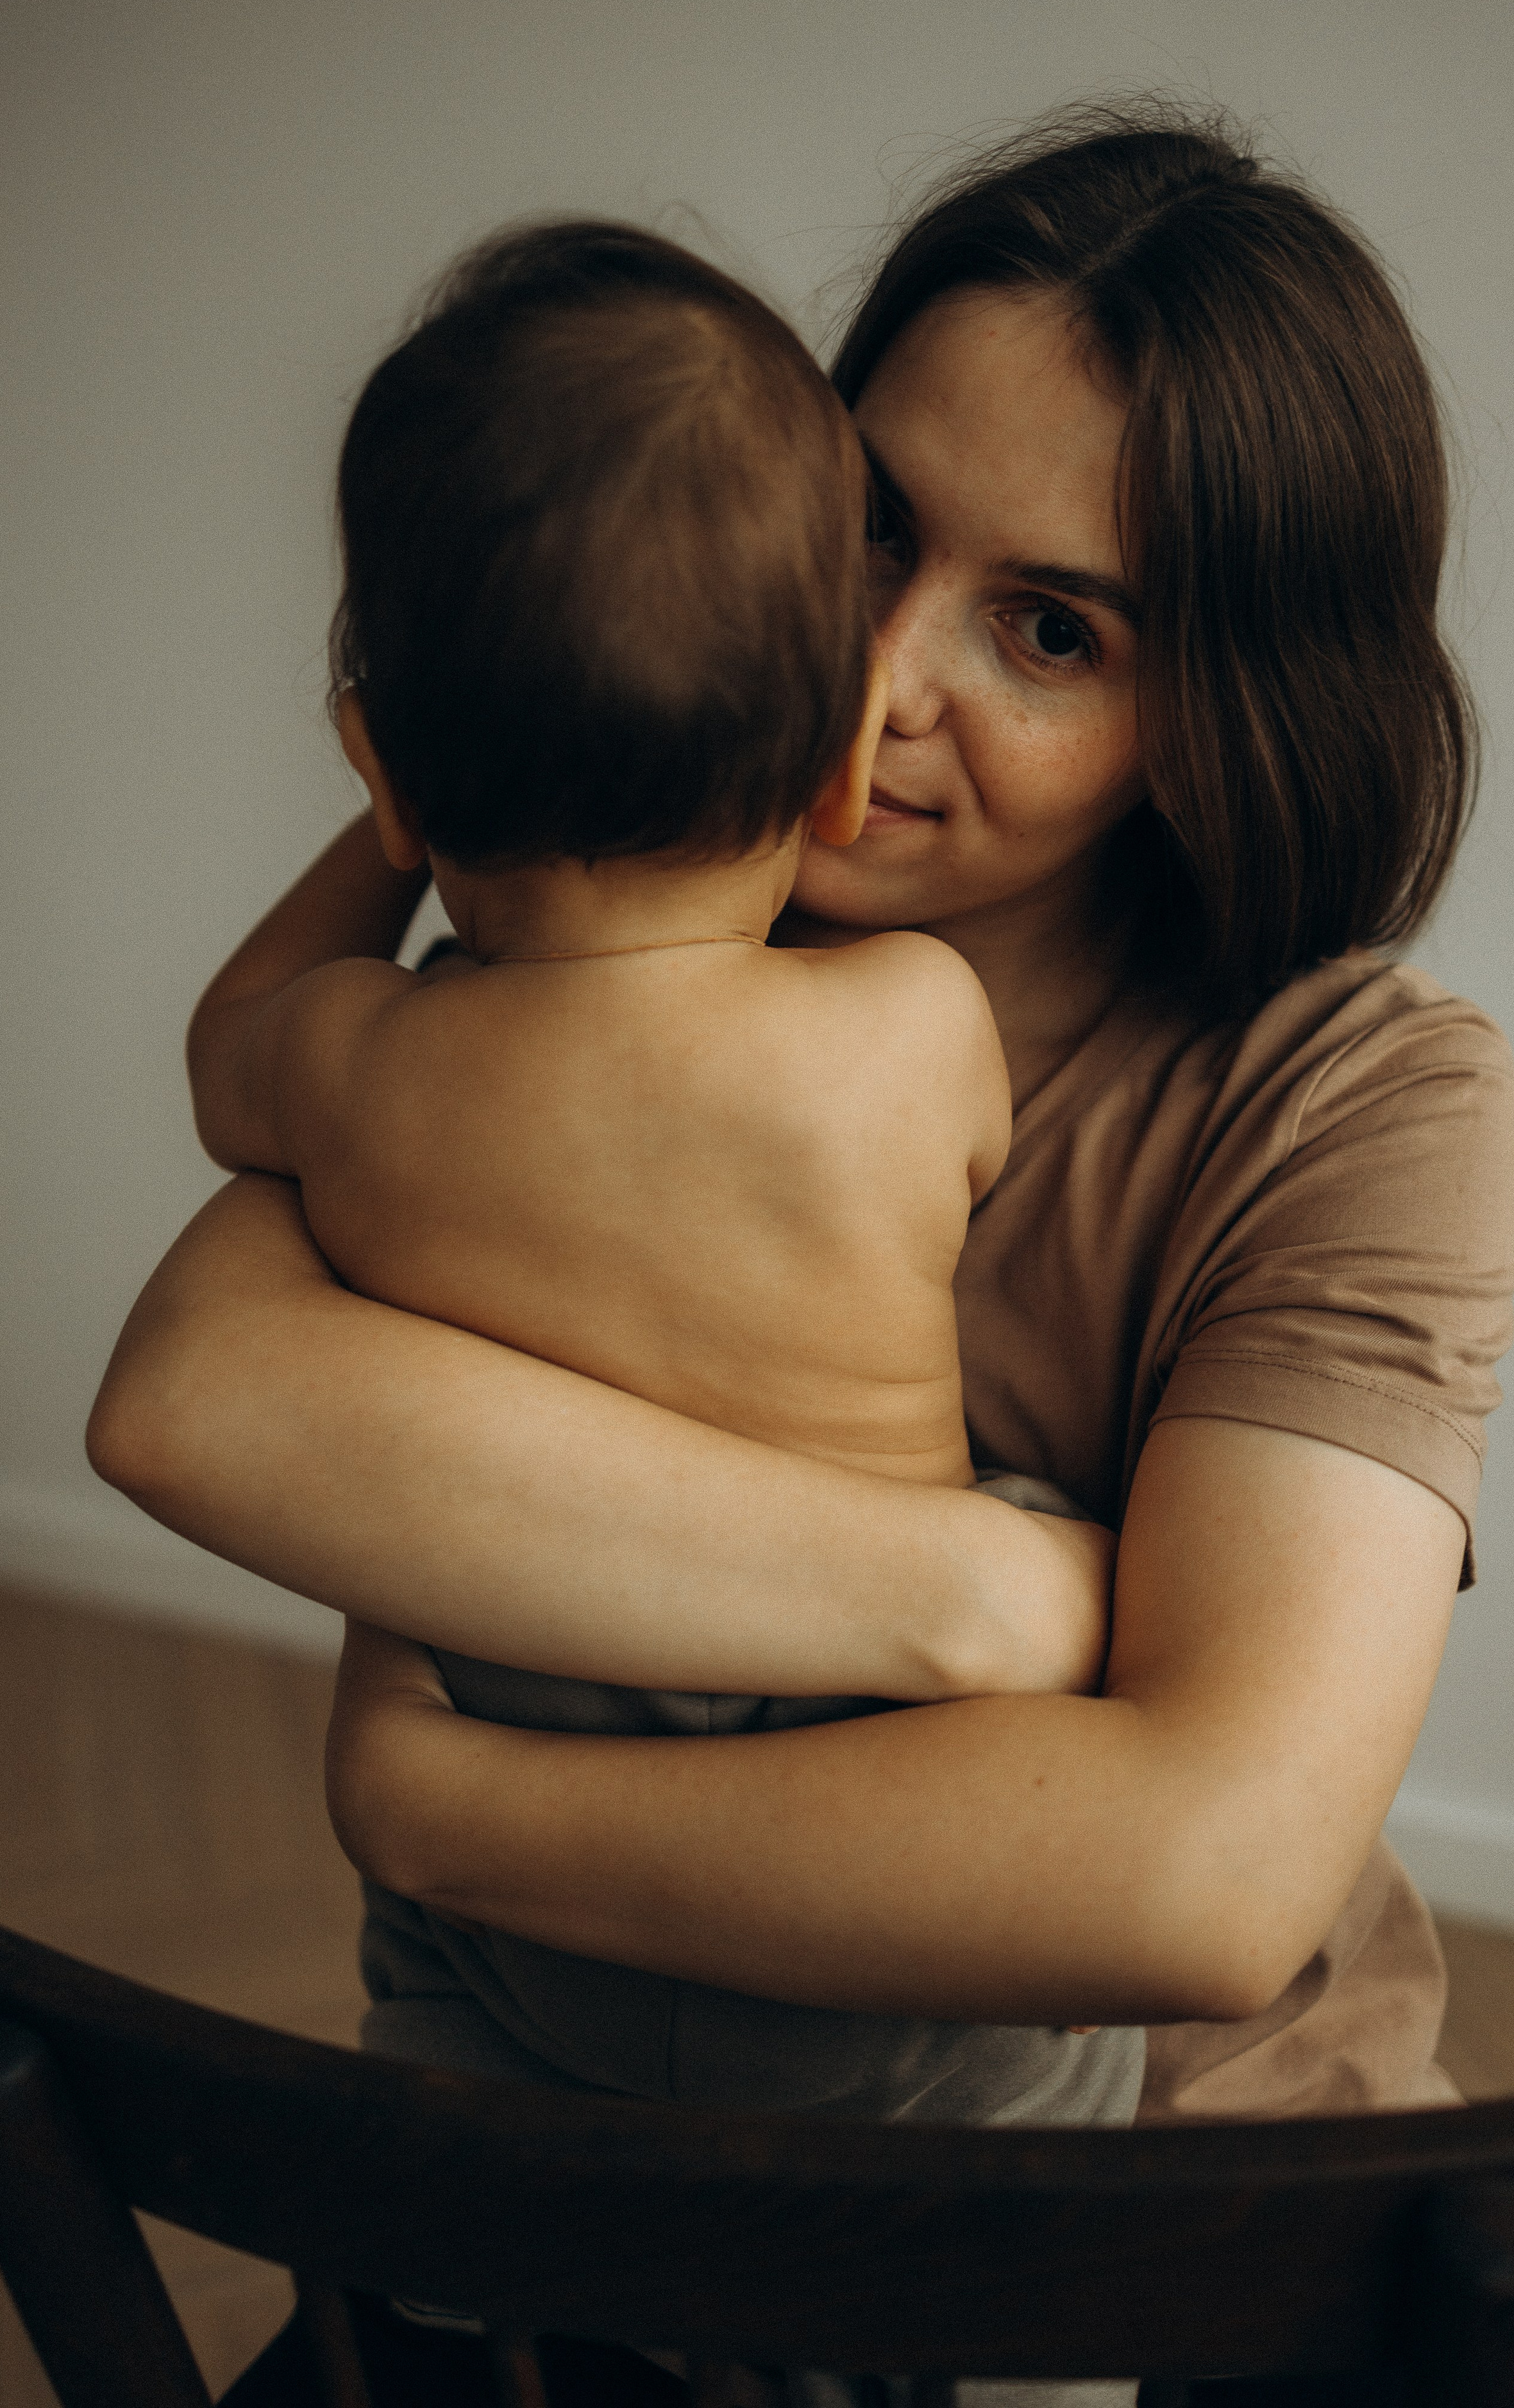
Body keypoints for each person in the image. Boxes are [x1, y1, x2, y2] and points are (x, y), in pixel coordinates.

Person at [90, 102, 1514, 2393]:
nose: (869, 681)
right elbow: (191, 1401)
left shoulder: (1362, 1098)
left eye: (1046, 630)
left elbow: (1193, 1883)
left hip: (1153, 2204)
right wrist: (983, 1600)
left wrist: (442, 1804)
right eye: (863, 523)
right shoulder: (585, 893)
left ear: (1215, 721)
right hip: (601, 2157)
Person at [182, 216, 1136, 2146]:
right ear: (836, 770)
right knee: (1073, 2083)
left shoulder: (362, 1069)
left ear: (383, 765)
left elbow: (228, 1048)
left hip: (539, 1823)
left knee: (436, 1996)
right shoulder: (909, 1032)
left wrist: (399, 812)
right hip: (876, 1858)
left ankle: (463, 2289)